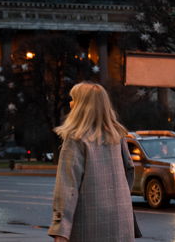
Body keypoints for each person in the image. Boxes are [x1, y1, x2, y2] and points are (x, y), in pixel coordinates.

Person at [48, 82, 136, 242]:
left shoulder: (75, 139)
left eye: (74, 99)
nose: (70, 103)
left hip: (88, 223)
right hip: (122, 222)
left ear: (83, 106)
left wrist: (60, 229)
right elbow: (129, 170)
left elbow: (68, 188)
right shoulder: (118, 135)